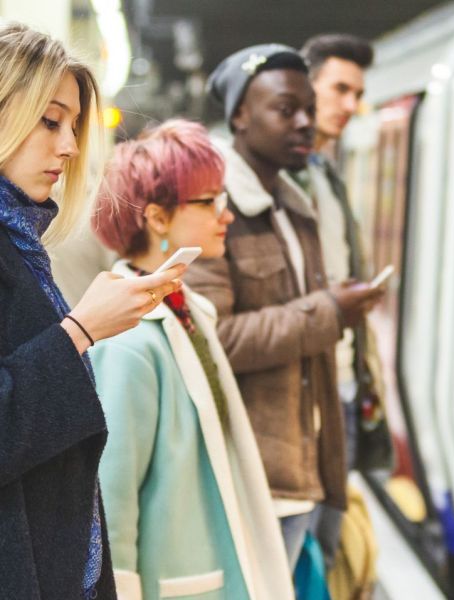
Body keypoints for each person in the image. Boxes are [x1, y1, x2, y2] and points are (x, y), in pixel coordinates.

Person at [0, 23, 183, 599]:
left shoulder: (21, 238)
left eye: (74, 125)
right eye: (50, 120)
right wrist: (79, 331)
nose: (71, 146)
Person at [183, 44, 383, 569]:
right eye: (285, 109)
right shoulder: (213, 208)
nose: (304, 123)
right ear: (240, 117)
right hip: (254, 481)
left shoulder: (295, 208)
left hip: (306, 469)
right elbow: (213, 340)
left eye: (308, 110)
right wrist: (330, 313)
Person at [90, 120, 294, 600]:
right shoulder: (128, 342)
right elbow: (109, 507)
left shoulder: (187, 310)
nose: (226, 216)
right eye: (209, 202)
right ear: (158, 218)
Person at [296, 34, 393, 579]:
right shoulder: (279, 179)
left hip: (344, 385)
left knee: (325, 545)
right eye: (340, 89)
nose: (351, 105)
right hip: (309, 392)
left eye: (357, 93)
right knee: (308, 551)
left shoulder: (327, 175)